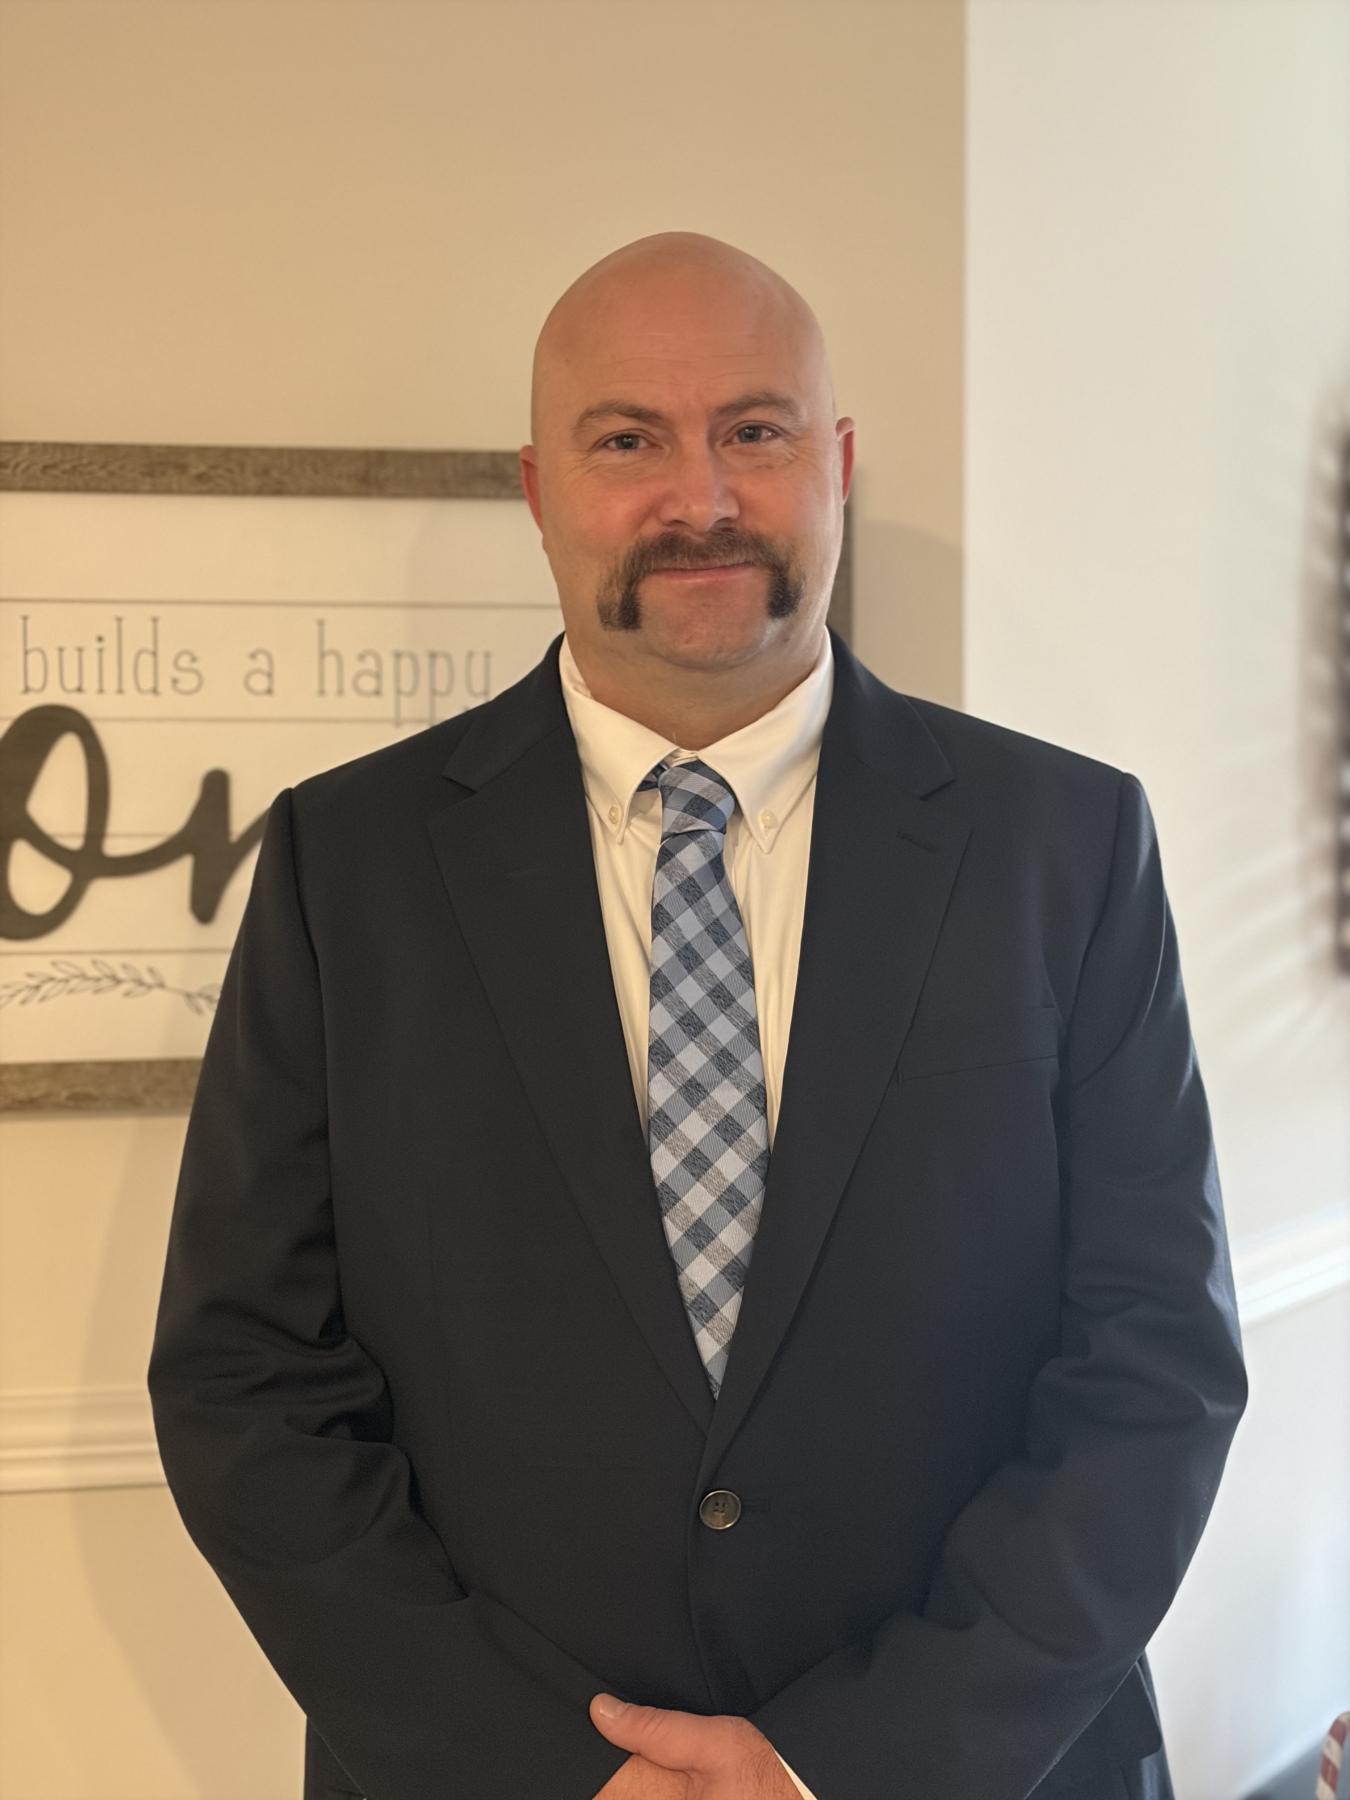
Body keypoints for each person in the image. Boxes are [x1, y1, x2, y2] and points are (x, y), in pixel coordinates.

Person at [148, 231, 1247, 1800]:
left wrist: (852, 1761)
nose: (701, 497)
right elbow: (243, 1373)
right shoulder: (351, 864)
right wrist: (540, 1763)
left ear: (838, 462)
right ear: (536, 486)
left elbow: (1155, 1362)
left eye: (754, 430)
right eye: (626, 440)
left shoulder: (1060, 845)